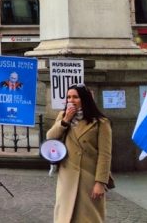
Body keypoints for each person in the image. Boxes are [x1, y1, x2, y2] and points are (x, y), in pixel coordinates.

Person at [47, 85, 112, 223]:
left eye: (75, 97)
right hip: (67, 176)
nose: (71, 100)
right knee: (65, 217)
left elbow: (105, 155)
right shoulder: (63, 116)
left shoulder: (101, 122)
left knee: (89, 217)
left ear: (84, 99)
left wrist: (100, 182)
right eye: (69, 97)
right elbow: (50, 137)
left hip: (89, 177)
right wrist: (65, 121)